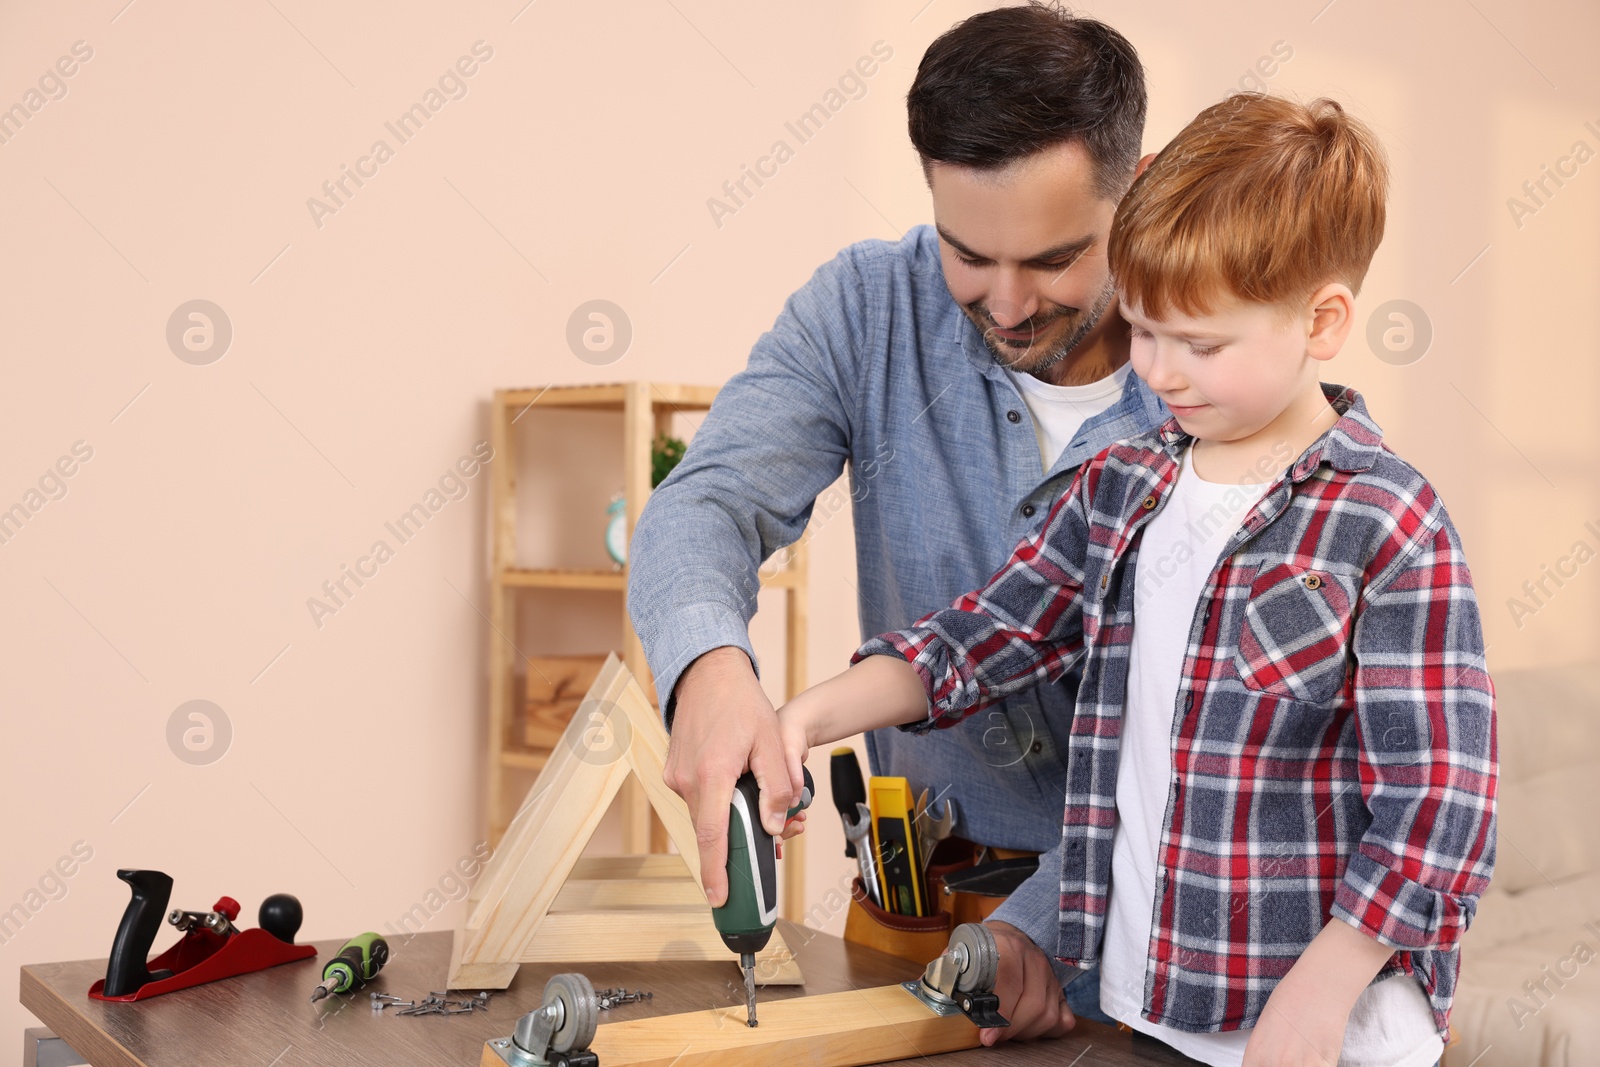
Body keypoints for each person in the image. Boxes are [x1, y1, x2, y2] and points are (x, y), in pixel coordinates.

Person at [773, 92, 1497, 1067]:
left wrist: (1320, 992)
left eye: (1200, 343)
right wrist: (803, 719)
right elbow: (983, 639)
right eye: (1145, 330)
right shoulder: (1125, 486)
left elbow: (1441, 801)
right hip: (1145, 1002)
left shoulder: (1386, 524)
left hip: (1326, 1025)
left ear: (1321, 320)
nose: (1159, 369)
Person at [628, 3, 1164, 1025]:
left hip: (1157, 957)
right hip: (916, 931)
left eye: (1052, 259)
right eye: (967, 252)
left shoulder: (1220, 381)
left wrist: (1034, 926)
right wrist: (708, 666)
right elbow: (706, 502)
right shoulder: (864, 306)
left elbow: (1211, 748)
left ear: (1135, 192)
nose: (1005, 302)